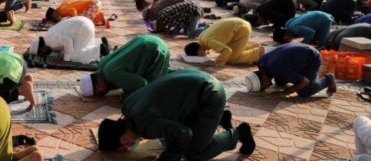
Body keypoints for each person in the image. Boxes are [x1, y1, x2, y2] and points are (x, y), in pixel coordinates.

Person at [97, 69, 256, 159]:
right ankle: (219, 118)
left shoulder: (147, 126)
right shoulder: (127, 107)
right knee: (169, 138)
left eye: (122, 148)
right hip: (195, 79)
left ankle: (238, 133)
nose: (127, 149)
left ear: (124, 139)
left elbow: (184, 134)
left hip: (210, 94)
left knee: (193, 153)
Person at [79, 35, 170, 99]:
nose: (103, 93)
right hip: (146, 39)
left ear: (98, 87)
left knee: (151, 89)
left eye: (99, 93)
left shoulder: (111, 75)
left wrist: (125, 96)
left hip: (155, 49)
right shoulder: (101, 65)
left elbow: (141, 83)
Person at [244, 43, 337, 98]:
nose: (266, 88)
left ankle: (328, 79)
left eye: (263, 87)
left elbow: (305, 81)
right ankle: (295, 73)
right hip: (299, 51)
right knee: (280, 81)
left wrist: (284, 92)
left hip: (312, 57)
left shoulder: (280, 70)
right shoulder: (261, 62)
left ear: (263, 79)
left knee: (304, 92)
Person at [185, 18, 264, 67]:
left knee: (231, 59)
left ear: (199, 51)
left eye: (199, 55)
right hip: (237, 24)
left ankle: (258, 52)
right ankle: (252, 47)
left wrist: (216, 62)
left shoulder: (209, 42)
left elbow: (227, 51)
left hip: (241, 29)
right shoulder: (201, 37)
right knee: (228, 52)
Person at [29, 16, 109, 64]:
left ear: (42, 48)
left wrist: (66, 59)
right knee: (80, 46)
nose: (45, 54)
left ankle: (100, 49)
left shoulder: (50, 41)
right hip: (86, 23)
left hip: (83, 28)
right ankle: (100, 42)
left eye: (42, 52)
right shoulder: (48, 34)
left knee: (74, 56)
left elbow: (68, 41)